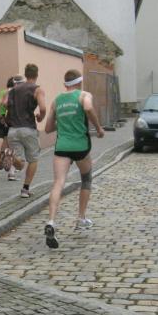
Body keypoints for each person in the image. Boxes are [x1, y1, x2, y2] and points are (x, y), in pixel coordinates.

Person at [43, 69, 104, 249]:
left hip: (62, 147)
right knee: (86, 179)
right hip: (80, 146)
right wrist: (98, 128)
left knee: (58, 183)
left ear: (65, 84)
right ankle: (81, 218)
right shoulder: (84, 95)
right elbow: (88, 107)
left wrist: (63, 122)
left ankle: (51, 221)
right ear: (80, 82)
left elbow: (47, 128)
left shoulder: (57, 101)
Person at [4, 63, 46, 198]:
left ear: (26, 74)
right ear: (36, 75)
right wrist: (40, 117)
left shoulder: (13, 89)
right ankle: (25, 189)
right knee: (33, 159)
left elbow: (5, 104)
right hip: (28, 129)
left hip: (12, 130)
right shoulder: (37, 89)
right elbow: (43, 108)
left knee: (20, 164)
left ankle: (11, 156)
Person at [0, 74, 24, 181]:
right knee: (12, 146)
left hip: (1, 119)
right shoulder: (15, 92)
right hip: (12, 120)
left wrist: (1, 117)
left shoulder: (2, 92)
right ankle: (11, 173)